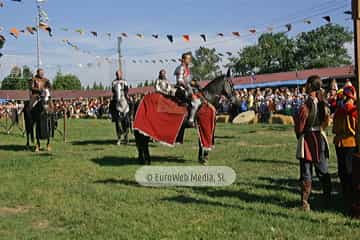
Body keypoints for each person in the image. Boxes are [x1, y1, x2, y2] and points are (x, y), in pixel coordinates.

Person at [294, 75, 331, 211]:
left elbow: (299, 128)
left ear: (310, 86)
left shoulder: (305, 106)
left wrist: (300, 135)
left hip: (308, 139)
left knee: (306, 172)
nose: (305, 86)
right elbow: (326, 121)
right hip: (319, 137)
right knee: (323, 170)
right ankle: (327, 200)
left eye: (306, 84)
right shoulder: (323, 103)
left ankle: (305, 204)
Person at [333, 84, 358, 212]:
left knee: (342, 170)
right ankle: (351, 197)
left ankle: (345, 195)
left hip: (339, 143)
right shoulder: (354, 111)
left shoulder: (338, 111)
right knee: (350, 172)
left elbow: (334, 129)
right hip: (351, 142)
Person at [174, 52, 201, 127]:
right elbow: (180, 80)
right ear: (183, 59)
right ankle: (190, 120)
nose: (189, 60)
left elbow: (189, 80)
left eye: (190, 59)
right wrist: (188, 87)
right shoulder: (181, 68)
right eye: (188, 59)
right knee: (196, 102)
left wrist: (195, 84)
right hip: (181, 90)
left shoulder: (187, 69)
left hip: (188, 89)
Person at [110, 70, 130, 145]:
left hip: (124, 97)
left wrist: (125, 94)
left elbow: (127, 89)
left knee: (131, 103)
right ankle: (119, 138)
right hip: (117, 100)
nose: (118, 75)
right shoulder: (114, 82)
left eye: (119, 74)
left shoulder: (124, 81)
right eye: (117, 74)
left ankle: (126, 137)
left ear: (121, 74)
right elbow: (113, 90)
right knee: (118, 123)